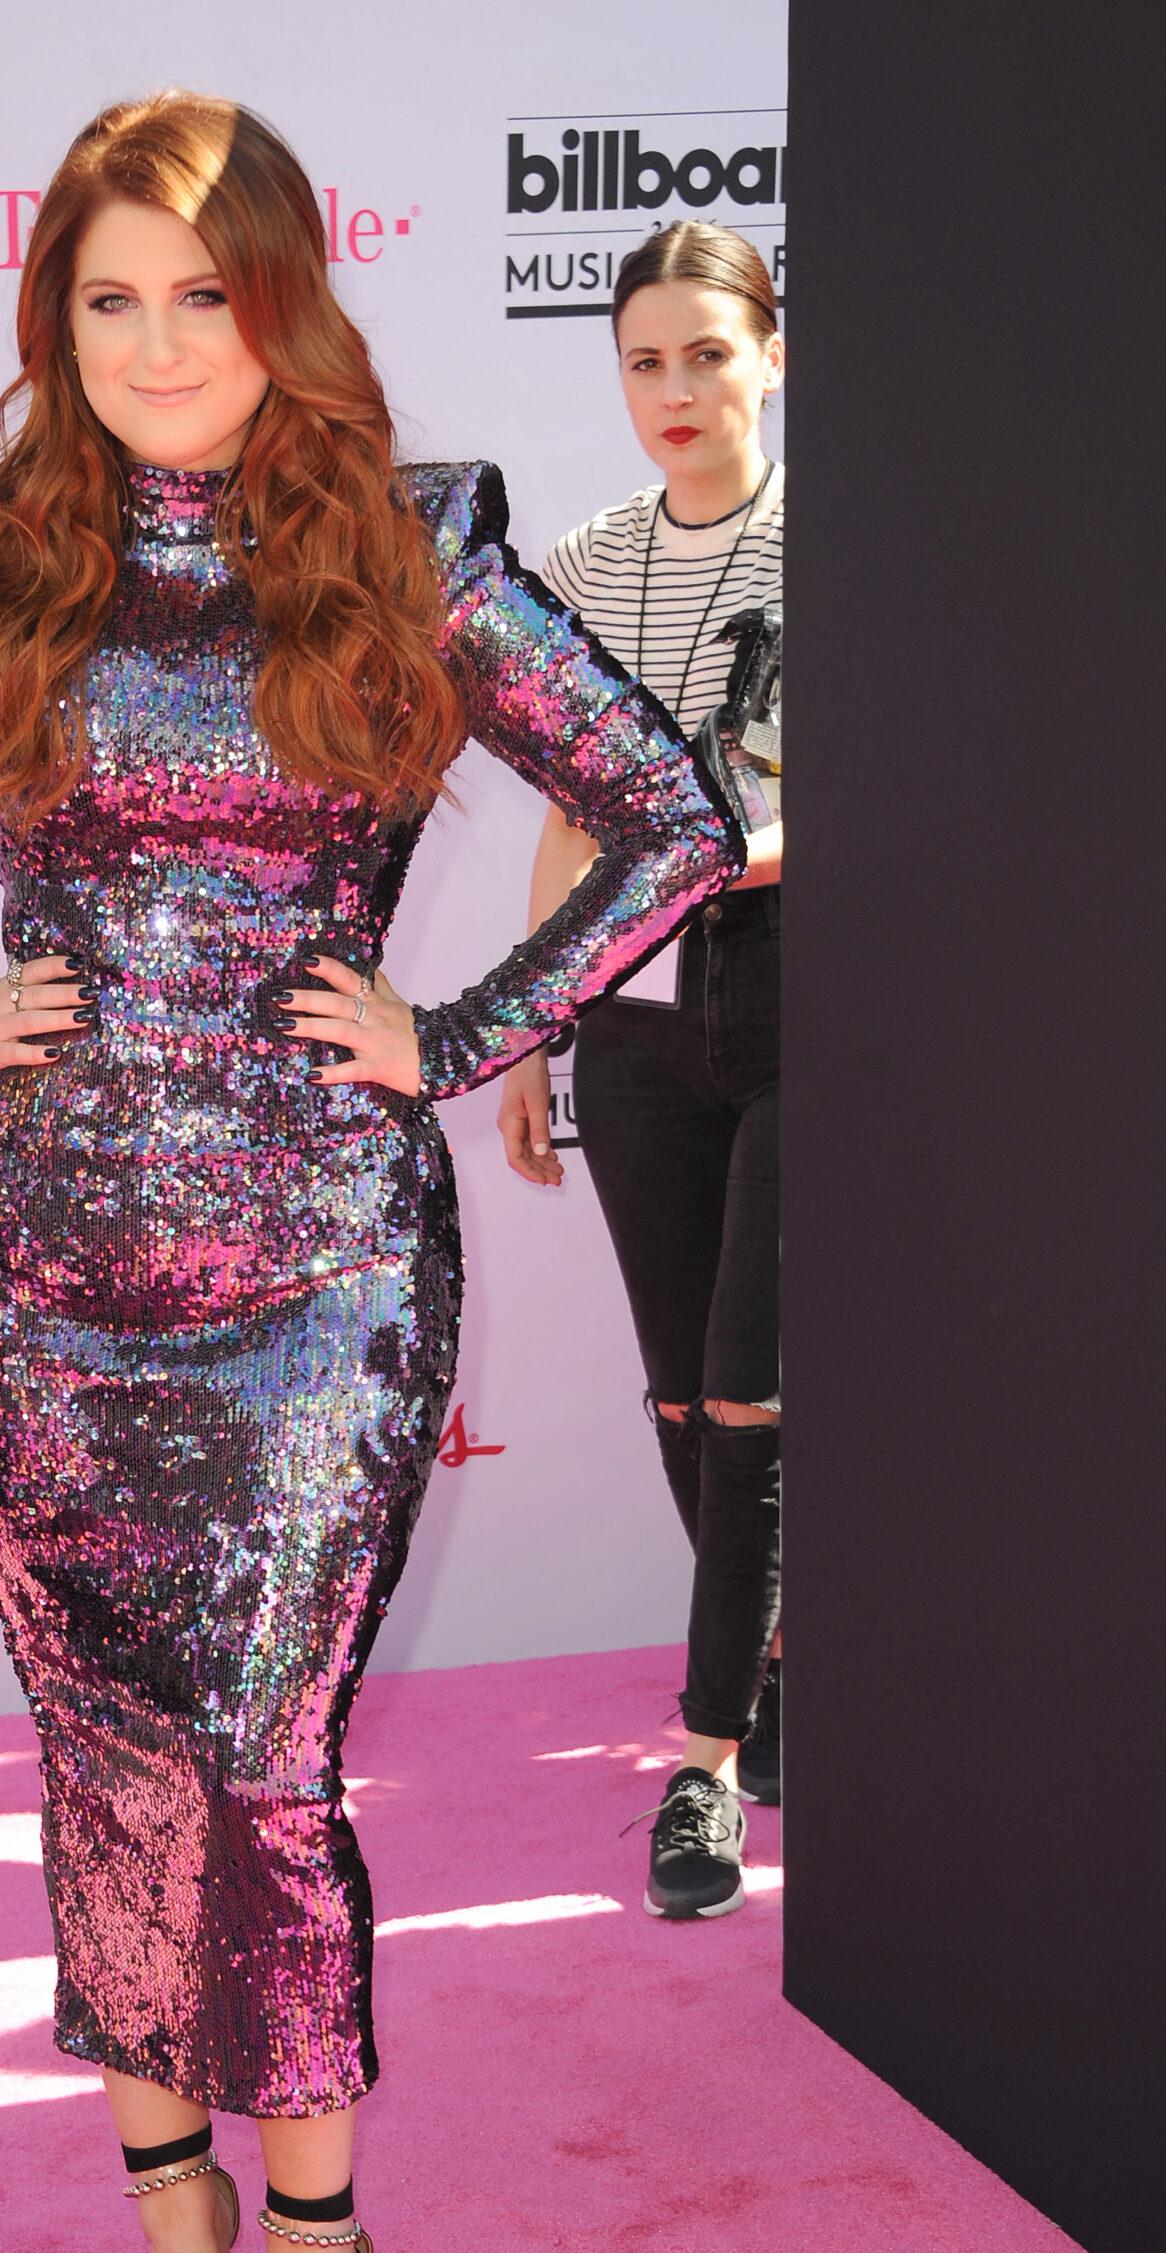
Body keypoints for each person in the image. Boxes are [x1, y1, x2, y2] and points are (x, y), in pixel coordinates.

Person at [0, 96, 740, 2253]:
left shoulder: (406, 555)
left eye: (203, 292)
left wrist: (459, 1036)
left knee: (268, 1763)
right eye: (107, 295)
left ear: (285, 304)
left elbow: (678, 812)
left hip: (327, 1261)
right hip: (28, 1272)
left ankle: (319, 2243)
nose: (157, 341)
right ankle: (172, 2233)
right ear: (56, 312)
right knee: (115, 1769)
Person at [497, 221, 785, 1918]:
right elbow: (562, 809)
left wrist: (729, 848)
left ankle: (702, 1769)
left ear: (772, 352)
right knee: (682, 1394)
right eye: (641, 362)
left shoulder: (848, 529)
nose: (672, 390)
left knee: (755, 1387)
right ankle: (777, 1690)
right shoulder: (595, 559)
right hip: (628, 1012)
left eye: (703, 352)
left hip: (802, 988)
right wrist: (538, 1021)